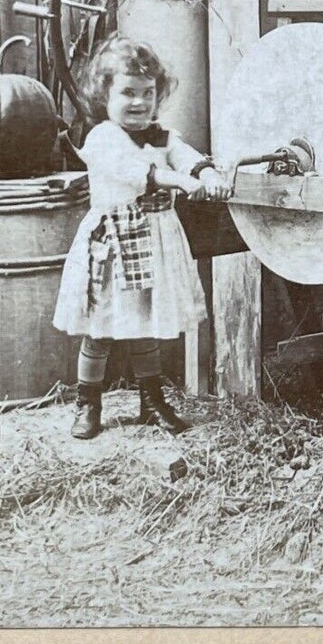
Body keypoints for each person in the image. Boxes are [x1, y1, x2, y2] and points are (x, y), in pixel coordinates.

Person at [52, 36, 232, 440]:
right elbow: (139, 174)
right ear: (106, 95)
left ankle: (151, 401)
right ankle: (88, 403)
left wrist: (207, 174)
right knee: (100, 329)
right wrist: (181, 182)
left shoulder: (163, 137)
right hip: (113, 246)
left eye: (147, 93)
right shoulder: (102, 138)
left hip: (155, 244)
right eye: (127, 93)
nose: (138, 102)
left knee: (145, 325)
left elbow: (187, 156)